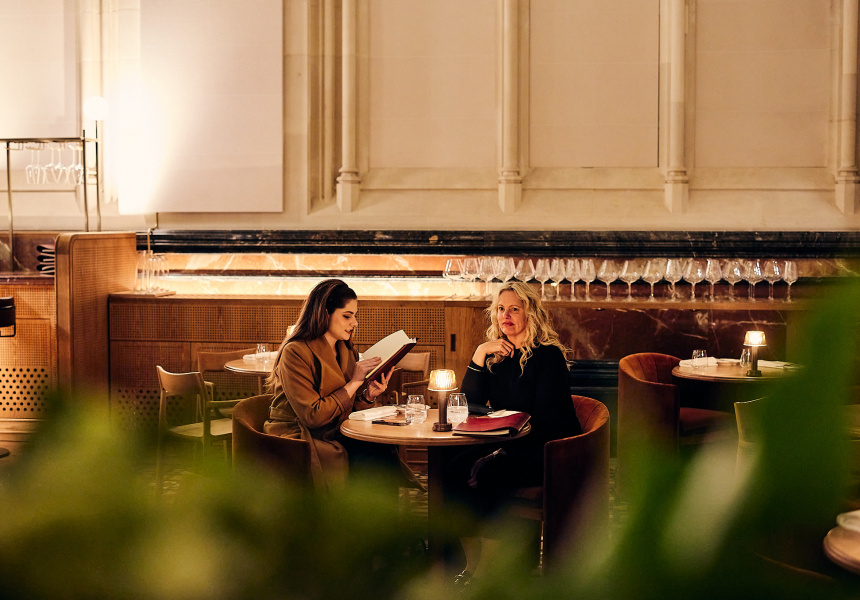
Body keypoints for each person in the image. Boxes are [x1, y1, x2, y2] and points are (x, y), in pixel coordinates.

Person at [444, 280, 581, 587]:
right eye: (500, 309)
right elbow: (468, 407)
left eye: (514, 309)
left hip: (550, 449)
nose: (505, 316)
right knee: (452, 467)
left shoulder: (548, 357)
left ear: (531, 314)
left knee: (488, 473)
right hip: (510, 441)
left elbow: (545, 422)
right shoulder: (497, 356)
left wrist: (495, 454)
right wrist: (480, 353)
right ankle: (466, 565)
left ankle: (494, 571)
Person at [264, 278, 393, 491]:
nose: (355, 323)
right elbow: (312, 416)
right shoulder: (295, 352)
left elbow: (347, 408)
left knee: (382, 450)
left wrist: (368, 396)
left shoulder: (347, 350)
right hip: (300, 434)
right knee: (371, 459)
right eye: (347, 316)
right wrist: (355, 382)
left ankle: (378, 512)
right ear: (325, 314)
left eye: (355, 316)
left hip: (336, 428)